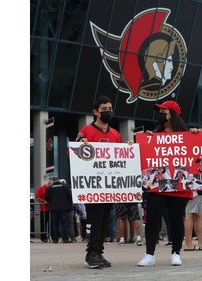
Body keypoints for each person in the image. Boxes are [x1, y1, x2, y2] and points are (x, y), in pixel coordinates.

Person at [137, 100, 202, 267]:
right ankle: (149, 254)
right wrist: (140, 143)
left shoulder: (186, 134)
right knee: (152, 219)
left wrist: (195, 135)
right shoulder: (154, 135)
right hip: (158, 184)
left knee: (175, 219)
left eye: (163, 112)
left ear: (172, 114)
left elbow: (197, 152)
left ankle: (176, 252)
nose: (159, 115)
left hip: (179, 186)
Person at [76, 95, 122, 269]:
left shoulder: (116, 134)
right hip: (93, 186)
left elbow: (121, 159)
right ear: (96, 112)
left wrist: (129, 147)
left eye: (110, 108)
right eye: (104, 109)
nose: (108, 112)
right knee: (95, 220)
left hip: (109, 186)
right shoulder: (86, 131)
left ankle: (99, 251)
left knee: (105, 220)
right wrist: (82, 146)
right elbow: (72, 154)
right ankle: (91, 253)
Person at [45, 177, 72, 243]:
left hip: (54, 208)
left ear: (53, 181)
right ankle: (65, 238)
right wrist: (68, 204)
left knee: (55, 224)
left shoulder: (50, 188)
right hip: (64, 208)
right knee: (64, 223)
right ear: (58, 180)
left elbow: (46, 197)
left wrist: (51, 202)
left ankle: (55, 239)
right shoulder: (65, 186)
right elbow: (70, 196)